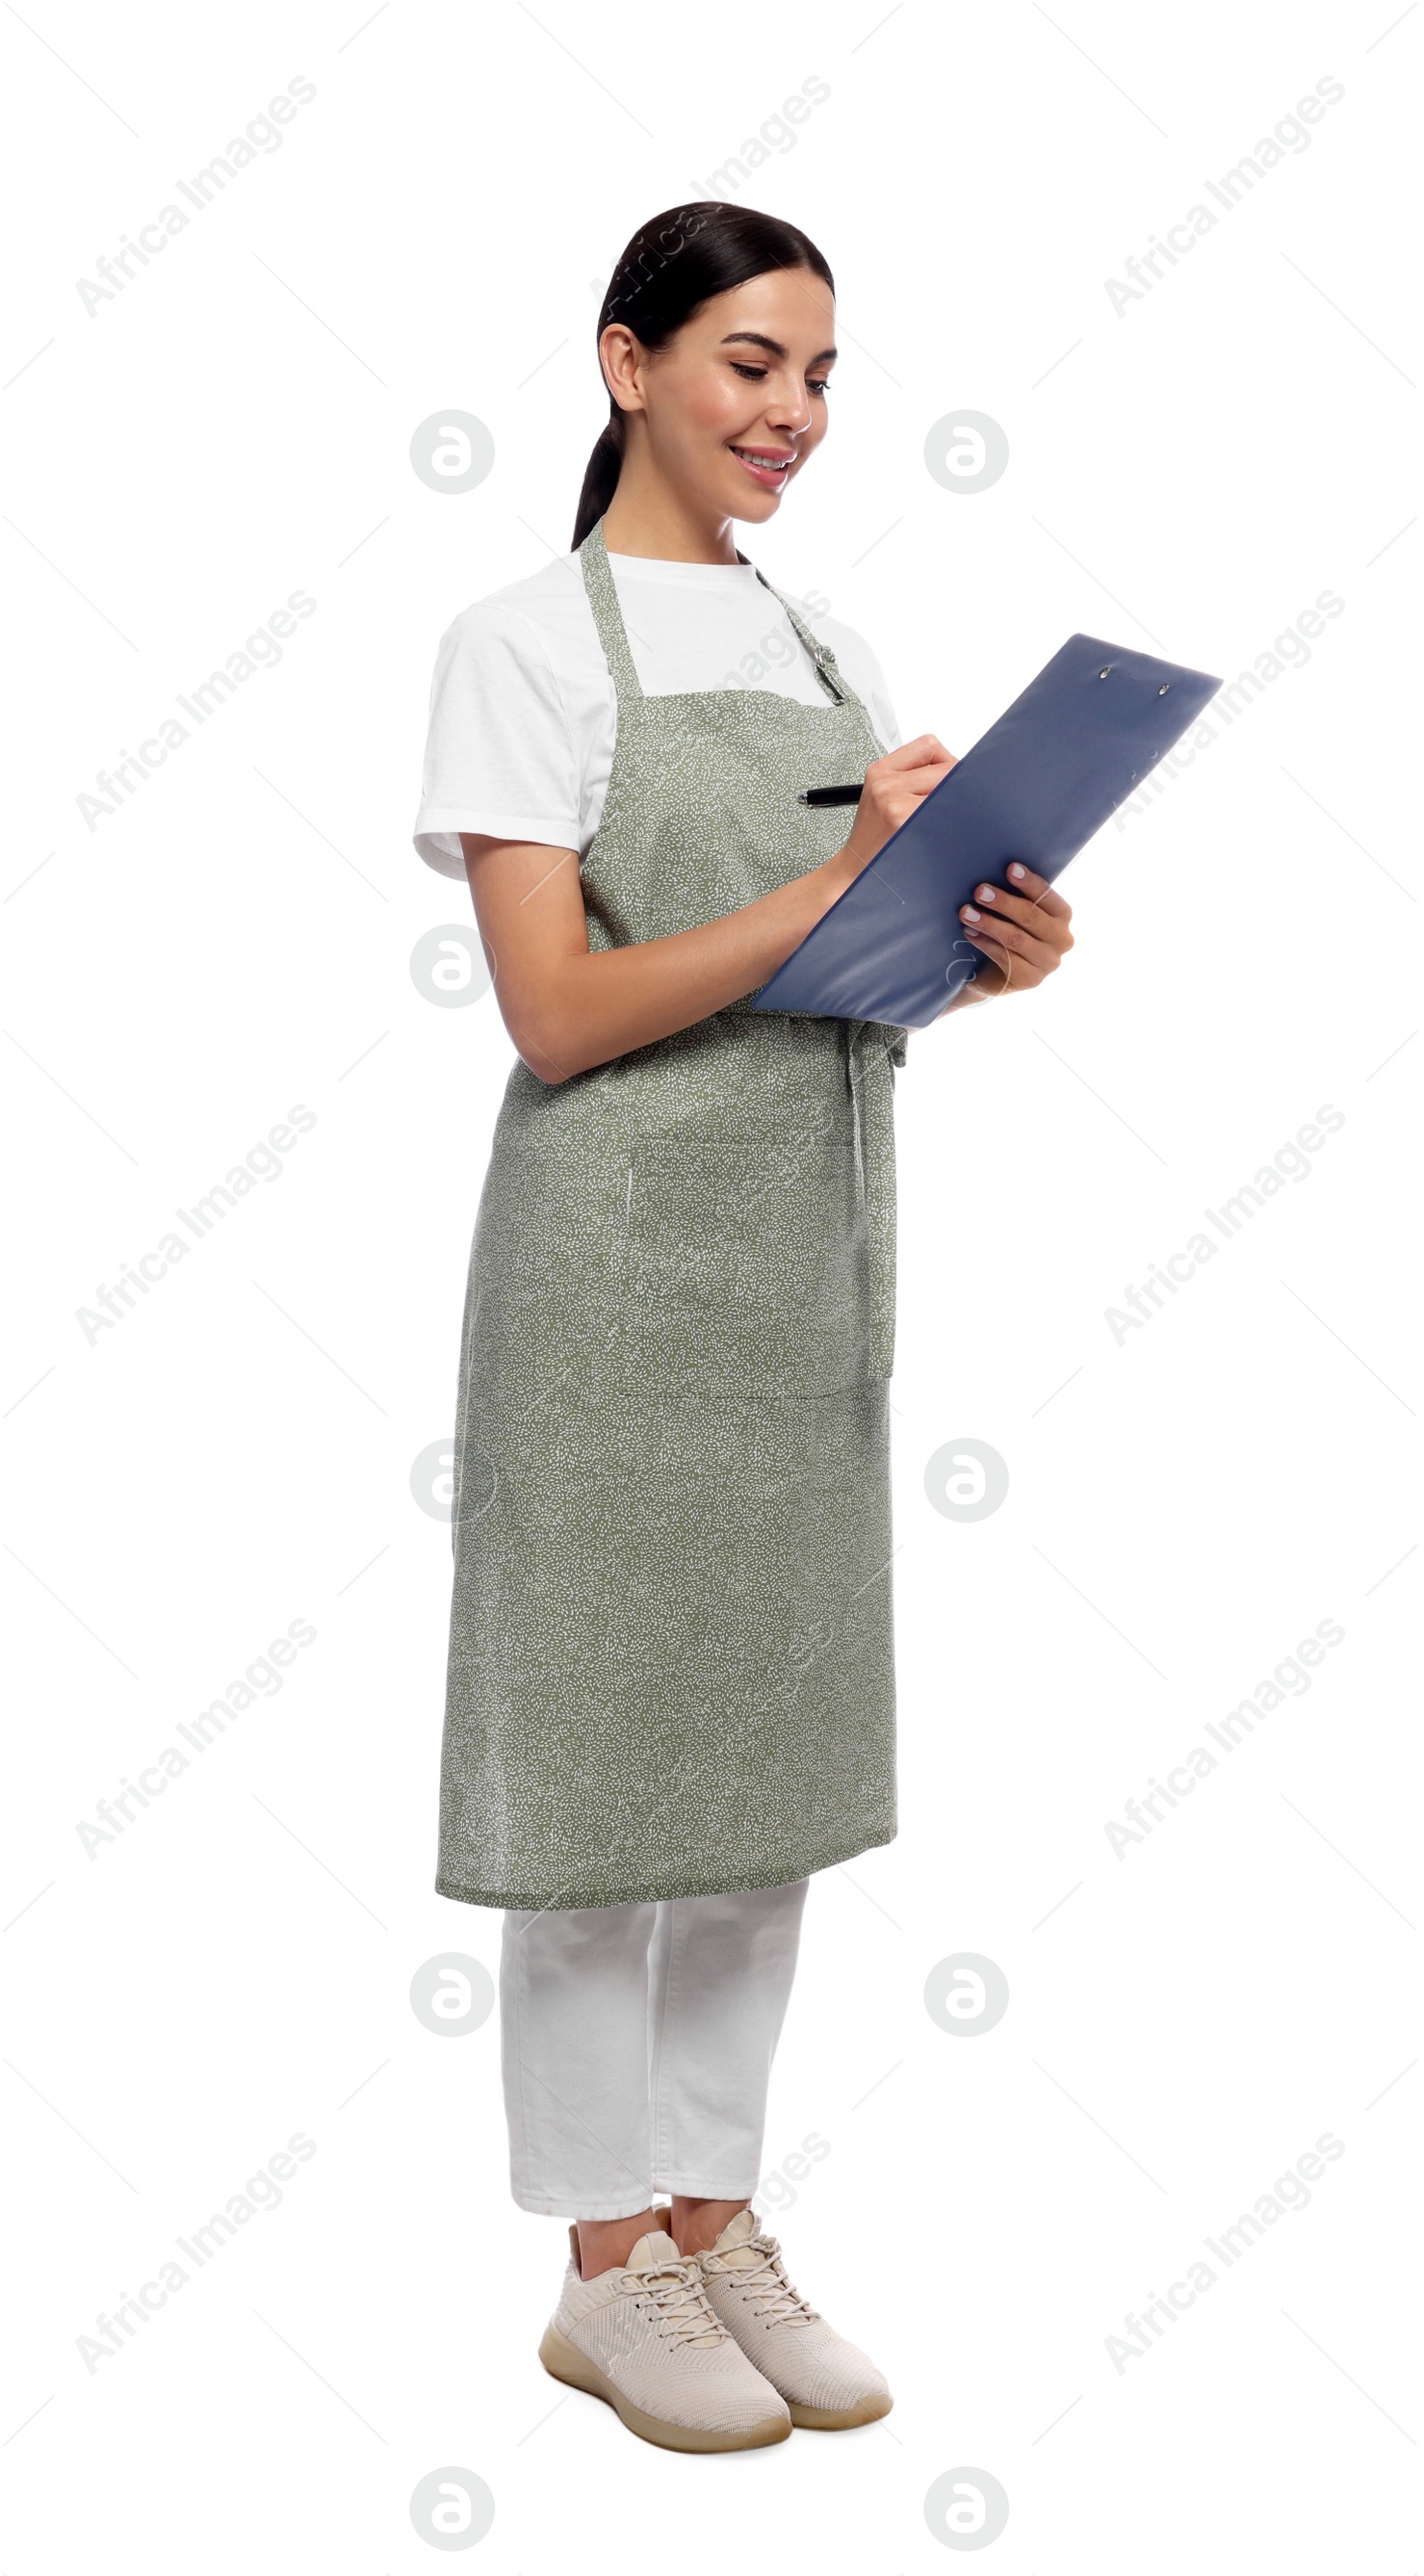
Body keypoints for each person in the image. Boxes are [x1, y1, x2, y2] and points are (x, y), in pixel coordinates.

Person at [412, 201, 1074, 2456]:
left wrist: (972, 944)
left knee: (762, 1775)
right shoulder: (520, 644)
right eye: (747, 365)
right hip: (608, 1267)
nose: (790, 414)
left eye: (814, 376)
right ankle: (602, 2269)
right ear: (623, 363)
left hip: (801, 1248)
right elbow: (561, 1008)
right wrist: (818, 888)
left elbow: (828, 978)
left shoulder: (826, 644)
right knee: (609, 1763)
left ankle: (710, 2212)